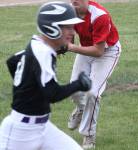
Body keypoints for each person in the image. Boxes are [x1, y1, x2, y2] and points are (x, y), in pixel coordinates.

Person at [0, 2, 92, 150]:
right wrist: (79, 84)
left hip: (42, 126)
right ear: (51, 27)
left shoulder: (37, 45)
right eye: (67, 27)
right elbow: (52, 94)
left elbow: (13, 61)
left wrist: (27, 88)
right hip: (20, 133)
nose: (72, 32)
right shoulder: (42, 51)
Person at [67, 0, 122, 149]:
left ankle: (88, 135)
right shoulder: (70, 10)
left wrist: (71, 47)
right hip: (85, 49)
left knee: (92, 92)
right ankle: (80, 109)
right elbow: (69, 34)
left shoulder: (99, 16)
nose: (72, 1)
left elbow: (98, 51)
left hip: (107, 52)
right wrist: (63, 43)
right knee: (75, 88)